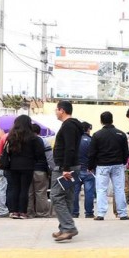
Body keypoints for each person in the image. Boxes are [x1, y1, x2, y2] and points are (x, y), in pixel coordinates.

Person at [88, 111, 129, 221]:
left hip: (102, 165)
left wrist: (90, 166)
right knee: (119, 189)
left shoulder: (97, 135)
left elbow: (92, 152)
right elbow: (126, 151)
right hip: (118, 164)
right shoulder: (121, 134)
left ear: (101, 121)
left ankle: (101, 213)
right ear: (112, 120)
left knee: (101, 189)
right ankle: (123, 213)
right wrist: (122, 162)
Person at [51, 101, 83, 242]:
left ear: (62, 110)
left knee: (56, 196)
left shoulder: (69, 125)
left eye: (56, 110)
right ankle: (64, 228)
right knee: (67, 197)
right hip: (70, 165)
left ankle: (68, 227)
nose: (55, 112)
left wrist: (65, 168)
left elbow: (69, 148)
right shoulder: (73, 125)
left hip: (65, 167)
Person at [4, 115, 46, 219]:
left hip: (13, 166)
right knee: (24, 189)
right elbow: (40, 153)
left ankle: (14, 211)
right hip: (28, 166)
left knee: (15, 188)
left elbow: (7, 152)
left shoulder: (11, 136)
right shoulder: (33, 138)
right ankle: (22, 212)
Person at [28, 123, 52, 218]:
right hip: (41, 170)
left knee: (29, 192)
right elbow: (49, 158)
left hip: (28, 170)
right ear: (39, 132)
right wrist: (52, 169)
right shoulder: (44, 141)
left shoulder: (25, 141)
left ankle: (29, 213)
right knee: (41, 192)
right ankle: (42, 213)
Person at [72, 122, 95, 219]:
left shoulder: (74, 140)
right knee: (89, 192)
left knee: (74, 192)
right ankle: (89, 213)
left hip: (75, 169)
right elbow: (93, 155)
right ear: (88, 129)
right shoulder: (91, 140)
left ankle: (74, 212)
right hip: (88, 170)